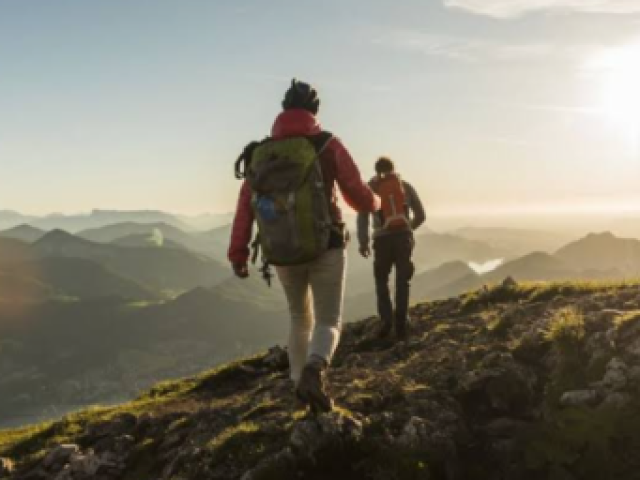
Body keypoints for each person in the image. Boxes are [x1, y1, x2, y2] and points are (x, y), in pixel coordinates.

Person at [228, 79, 379, 412]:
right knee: (328, 320)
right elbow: (359, 195)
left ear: (283, 111)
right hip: (327, 245)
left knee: (299, 317)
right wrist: (377, 202)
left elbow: (245, 207)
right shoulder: (327, 144)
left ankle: (299, 389)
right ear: (314, 111)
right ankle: (315, 369)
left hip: (281, 252)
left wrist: (238, 253)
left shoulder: (262, 153)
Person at [357, 157, 426, 340]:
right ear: (393, 168)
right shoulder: (404, 187)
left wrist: (363, 241)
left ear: (376, 170)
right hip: (403, 239)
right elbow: (421, 215)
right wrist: (408, 228)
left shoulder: (371, 189)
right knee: (402, 281)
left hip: (382, 241)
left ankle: (386, 322)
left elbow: (363, 216)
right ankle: (402, 323)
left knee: (381, 280)